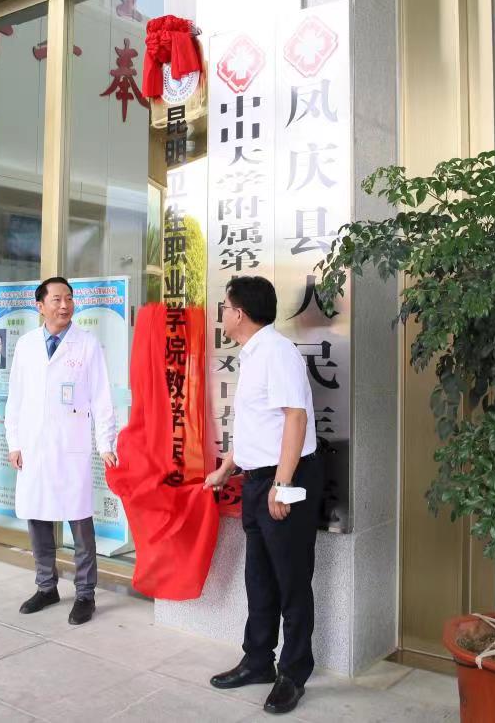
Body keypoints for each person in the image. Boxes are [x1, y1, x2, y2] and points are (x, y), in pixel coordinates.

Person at [203, 276, 319, 716]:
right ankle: (258, 661)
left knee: (292, 581)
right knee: (260, 578)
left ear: (240, 313)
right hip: (256, 480)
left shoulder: (276, 352)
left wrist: (282, 484)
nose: (223, 313)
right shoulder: (252, 354)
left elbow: (295, 418)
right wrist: (226, 468)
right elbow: (258, 424)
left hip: (282, 478)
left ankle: (294, 673)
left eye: (225, 306)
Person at [5, 277, 118, 625]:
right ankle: (46, 586)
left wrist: (106, 443)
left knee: (79, 522)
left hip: (71, 446)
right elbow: (15, 397)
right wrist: (14, 442)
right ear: (40, 306)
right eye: (56, 299)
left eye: (69, 298)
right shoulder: (26, 345)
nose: (65, 305)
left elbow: (102, 398)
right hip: (33, 446)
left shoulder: (87, 344)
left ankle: (85, 594)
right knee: (37, 517)